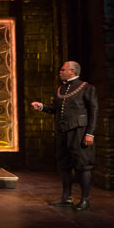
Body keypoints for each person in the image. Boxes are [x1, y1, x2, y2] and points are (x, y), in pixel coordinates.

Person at [31, 61, 98, 212]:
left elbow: (94, 111)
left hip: (79, 133)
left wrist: (90, 133)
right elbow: (55, 109)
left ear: (72, 72)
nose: (60, 72)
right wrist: (42, 107)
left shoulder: (87, 88)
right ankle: (66, 198)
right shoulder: (61, 89)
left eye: (63, 70)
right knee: (64, 165)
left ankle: (85, 200)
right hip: (63, 133)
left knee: (83, 165)